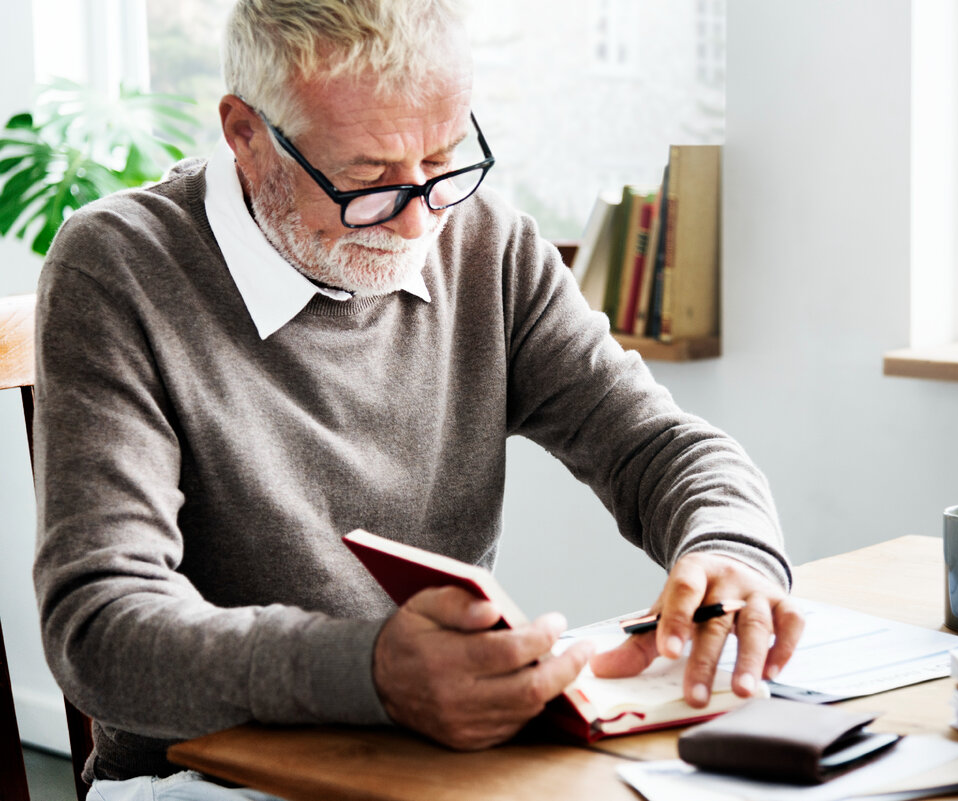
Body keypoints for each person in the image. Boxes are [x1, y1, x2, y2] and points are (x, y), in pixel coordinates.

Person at [32, 1, 803, 797]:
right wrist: (366, 671)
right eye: (367, 181)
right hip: (201, 778)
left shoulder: (484, 243)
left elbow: (659, 448)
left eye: (444, 160)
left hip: (438, 769)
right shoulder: (116, 267)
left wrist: (731, 549)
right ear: (245, 134)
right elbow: (99, 629)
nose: (415, 226)